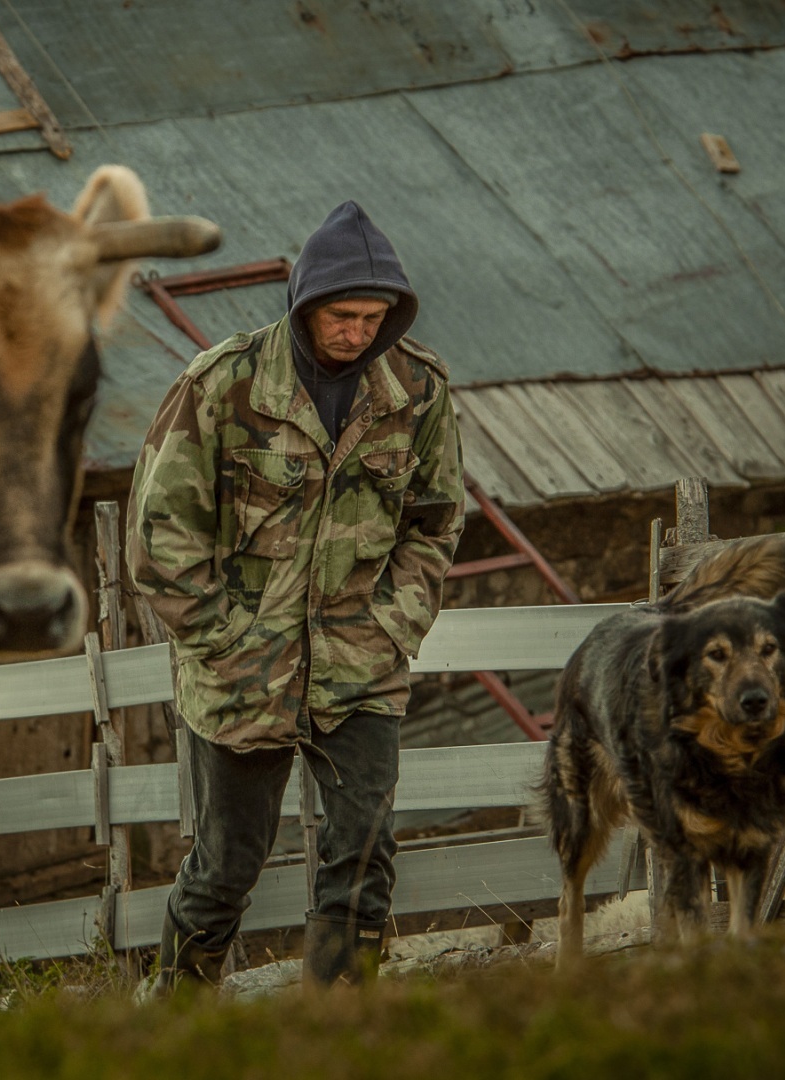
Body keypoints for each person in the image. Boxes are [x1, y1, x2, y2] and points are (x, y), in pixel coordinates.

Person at [127, 201, 464, 991]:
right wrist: (223, 643)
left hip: (361, 669)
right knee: (225, 869)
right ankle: (166, 1022)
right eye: (342, 316)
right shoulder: (223, 387)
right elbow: (160, 537)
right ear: (307, 303)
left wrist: (394, 624)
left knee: (363, 855)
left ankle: (339, 1027)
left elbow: (437, 521)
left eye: (373, 317)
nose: (356, 333)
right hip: (243, 679)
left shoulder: (416, 390)